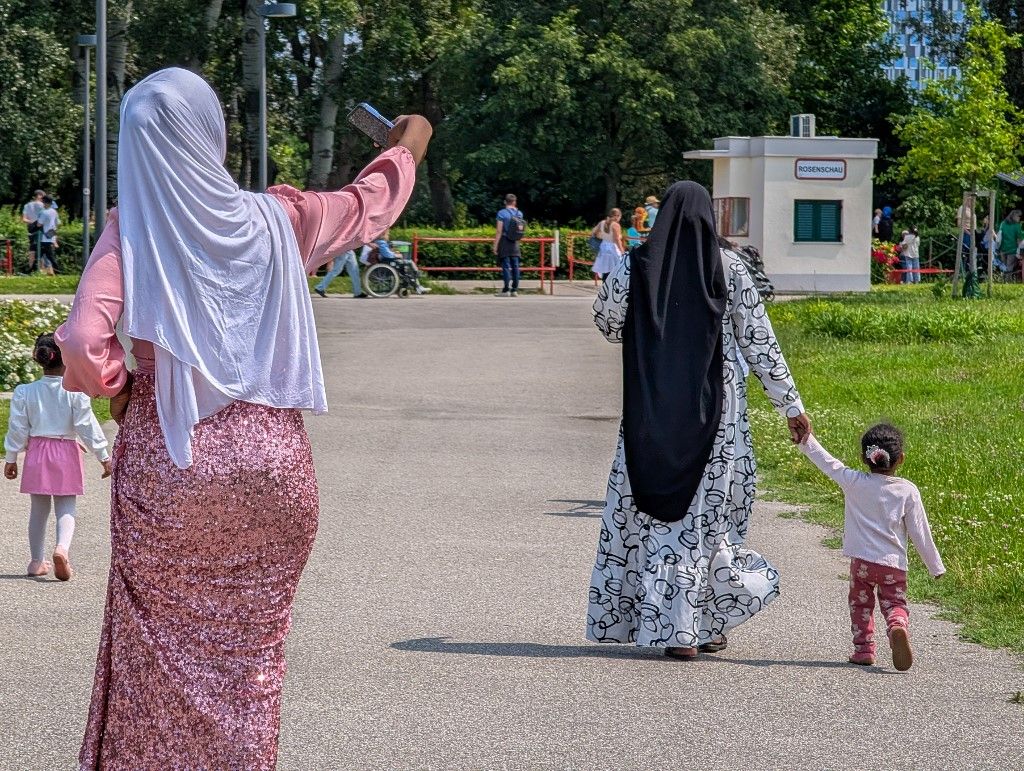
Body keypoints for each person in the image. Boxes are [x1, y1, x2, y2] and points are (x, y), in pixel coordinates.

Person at [55, 68, 430, 769]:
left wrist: (116, 385)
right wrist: (408, 144)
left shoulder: (129, 232)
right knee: (251, 666)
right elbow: (369, 202)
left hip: (175, 464)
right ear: (210, 135)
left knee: (159, 654)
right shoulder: (280, 218)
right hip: (274, 466)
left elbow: (80, 340)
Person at [586, 182, 811, 659]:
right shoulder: (730, 269)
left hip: (651, 413)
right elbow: (760, 342)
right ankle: (703, 627)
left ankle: (672, 630)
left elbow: (607, 323)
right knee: (710, 520)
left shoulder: (636, 266)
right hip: (720, 419)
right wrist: (790, 405)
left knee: (656, 516)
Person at [797, 425, 945, 671]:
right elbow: (921, 532)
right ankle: (897, 625)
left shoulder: (854, 482)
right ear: (901, 459)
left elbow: (827, 462)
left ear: (863, 458)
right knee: (894, 602)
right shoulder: (907, 491)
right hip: (893, 566)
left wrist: (805, 440)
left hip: (862, 564)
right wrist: (935, 566)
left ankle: (864, 649)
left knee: (860, 605)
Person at [3, 334, 112, 581]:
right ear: (68, 359)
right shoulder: (75, 392)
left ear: (37, 357)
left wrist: (11, 457)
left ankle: (35, 561)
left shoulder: (24, 392)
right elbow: (86, 425)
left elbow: (18, 427)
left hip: (37, 452)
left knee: (38, 510)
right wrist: (103, 455)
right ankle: (61, 549)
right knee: (66, 506)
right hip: (66, 451)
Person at [493, 193, 523, 297]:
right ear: (514, 202)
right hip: (515, 242)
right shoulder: (519, 213)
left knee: (506, 266)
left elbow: (499, 231)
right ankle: (515, 290)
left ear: (505, 202)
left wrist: (495, 245)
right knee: (515, 266)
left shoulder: (501, 213)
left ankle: (506, 290)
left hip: (505, 241)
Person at [590, 208, 625, 281]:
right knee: (618, 267)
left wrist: (603, 236)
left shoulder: (602, 222)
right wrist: (622, 251)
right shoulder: (616, 225)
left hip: (603, 246)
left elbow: (594, 232)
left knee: (605, 268)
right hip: (613, 248)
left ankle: (605, 286)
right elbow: (616, 239)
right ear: (618, 216)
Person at [35, 195, 60, 275]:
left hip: (44, 237)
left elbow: (39, 224)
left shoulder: (44, 212)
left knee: (49, 256)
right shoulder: (54, 212)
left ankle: (57, 271)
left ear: (45, 202)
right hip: (51, 235)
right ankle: (32, 270)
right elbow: (57, 223)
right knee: (40, 254)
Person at [21, 189, 45, 271]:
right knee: (43, 247)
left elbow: (24, 219)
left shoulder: (27, 205)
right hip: (42, 227)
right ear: (40, 196)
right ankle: (41, 269)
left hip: (31, 227)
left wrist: (32, 222)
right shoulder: (43, 205)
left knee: (32, 248)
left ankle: (31, 268)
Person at [998, 209, 1023, 278]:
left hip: (1002, 249)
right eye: (1019, 216)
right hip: (1012, 249)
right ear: (1014, 216)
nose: (1019, 218)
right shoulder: (1017, 226)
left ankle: (1002, 281)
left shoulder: (1003, 223)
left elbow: (999, 236)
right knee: (1010, 266)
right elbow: (1019, 240)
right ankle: (1007, 282)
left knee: (1003, 266)